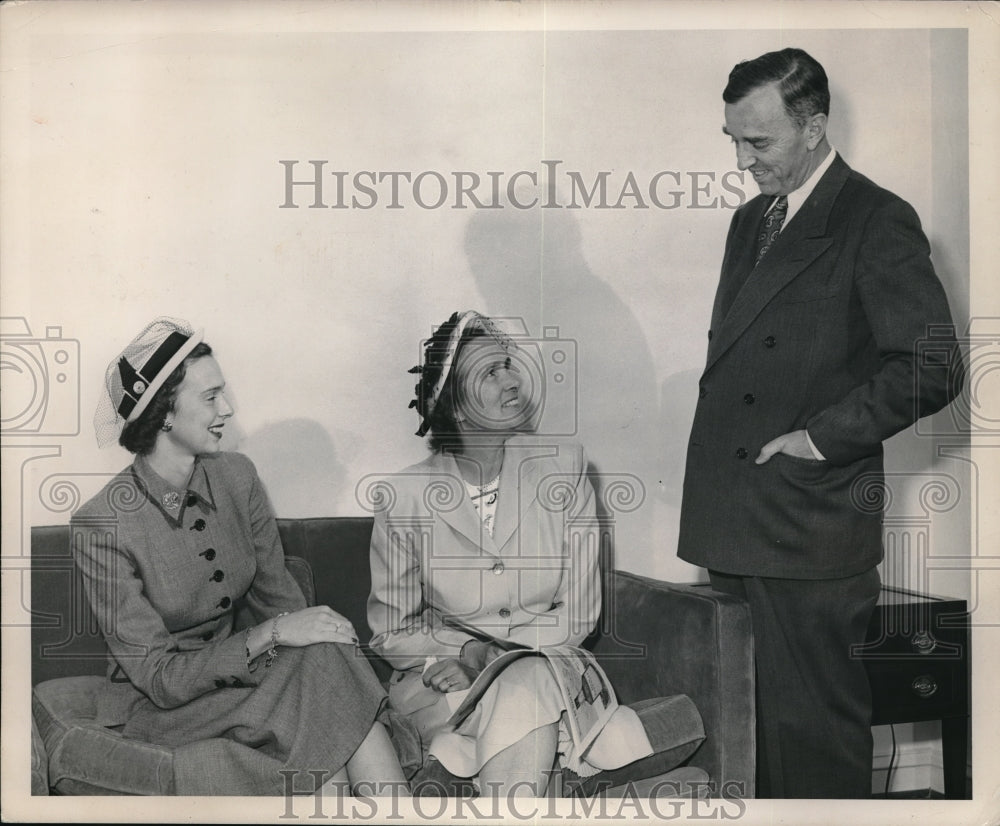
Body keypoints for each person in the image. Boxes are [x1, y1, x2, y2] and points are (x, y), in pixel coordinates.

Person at [677, 48, 964, 799]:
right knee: (748, 735)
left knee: (813, 742)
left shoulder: (876, 218)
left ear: (813, 127)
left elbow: (932, 367)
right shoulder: (751, 222)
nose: (742, 160)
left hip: (808, 521)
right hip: (736, 516)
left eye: (759, 142)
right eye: (732, 140)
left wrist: (816, 439)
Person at [71, 317, 409, 796]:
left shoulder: (237, 476)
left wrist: (308, 629)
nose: (227, 409)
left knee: (325, 660)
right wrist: (272, 634)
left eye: (222, 393)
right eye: (210, 397)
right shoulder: (102, 524)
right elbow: (160, 678)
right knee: (325, 693)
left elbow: (280, 601)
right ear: (164, 413)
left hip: (243, 682)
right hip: (164, 706)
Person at [366, 310, 609, 798]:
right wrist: (461, 653)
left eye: (508, 365)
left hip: (549, 664)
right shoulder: (404, 496)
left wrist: (491, 656)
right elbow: (388, 631)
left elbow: (582, 611)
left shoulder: (565, 468)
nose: (511, 380)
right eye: (490, 373)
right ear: (456, 408)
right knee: (527, 699)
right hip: (445, 682)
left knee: (529, 681)